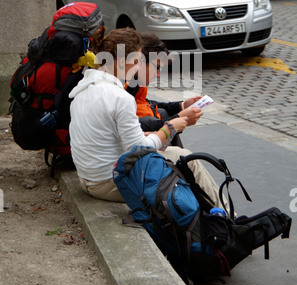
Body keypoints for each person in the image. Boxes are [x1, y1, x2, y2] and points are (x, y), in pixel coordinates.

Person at [69, 27, 227, 211]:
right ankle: (228, 220)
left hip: (89, 177)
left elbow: (111, 138)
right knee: (186, 161)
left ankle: (220, 217)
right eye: (136, 61)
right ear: (122, 61)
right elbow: (139, 149)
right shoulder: (120, 97)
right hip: (109, 183)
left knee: (177, 154)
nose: (137, 66)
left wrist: (161, 129)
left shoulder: (84, 88)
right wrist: (169, 128)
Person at [125, 33, 203, 147]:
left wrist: (181, 106)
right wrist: (177, 119)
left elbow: (145, 103)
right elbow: (132, 126)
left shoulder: (133, 80)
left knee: (162, 112)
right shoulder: (122, 85)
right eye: (156, 67)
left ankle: (177, 160)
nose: (157, 74)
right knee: (153, 119)